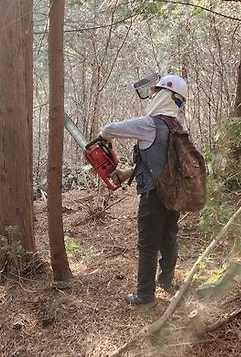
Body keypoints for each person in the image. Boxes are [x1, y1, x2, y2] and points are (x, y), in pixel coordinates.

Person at [99, 74, 188, 308]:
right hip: (173, 195)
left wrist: (102, 141)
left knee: (148, 245)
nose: (152, 95)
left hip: (153, 197)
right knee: (168, 239)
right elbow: (159, 162)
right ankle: (166, 281)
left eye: (155, 92)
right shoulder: (177, 126)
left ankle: (145, 297)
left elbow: (108, 129)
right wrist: (127, 173)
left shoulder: (150, 124)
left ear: (164, 96)